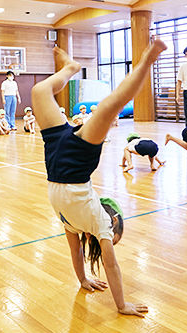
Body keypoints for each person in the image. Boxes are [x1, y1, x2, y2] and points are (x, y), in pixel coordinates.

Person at [32, 39, 167, 316]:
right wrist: (122, 305)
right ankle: (147, 61)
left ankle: (71, 67)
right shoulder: (100, 222)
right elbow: (112, 265)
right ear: (113, 220)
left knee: (38, 90)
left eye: (111, 241)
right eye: (113, 238)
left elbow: (77, 253)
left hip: (55, 154)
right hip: (78, 164)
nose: (110, 242)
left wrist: (82, 280)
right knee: (111, 105)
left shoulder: (74, 224)